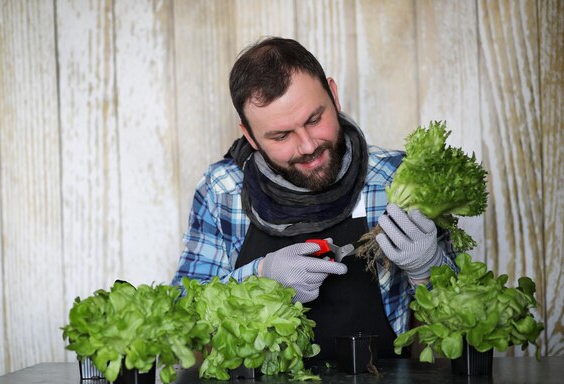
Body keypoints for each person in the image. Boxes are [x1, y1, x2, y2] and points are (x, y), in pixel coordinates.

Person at [173, 37, 456, 360]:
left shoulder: (397, 179)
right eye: (281, 136)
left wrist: (430, 270)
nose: (307, 146)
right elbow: (184, 317)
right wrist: (261, 278)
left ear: (333, 96)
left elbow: (461, 338)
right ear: (249, 135)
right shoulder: (221, 190)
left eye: (314, 119)